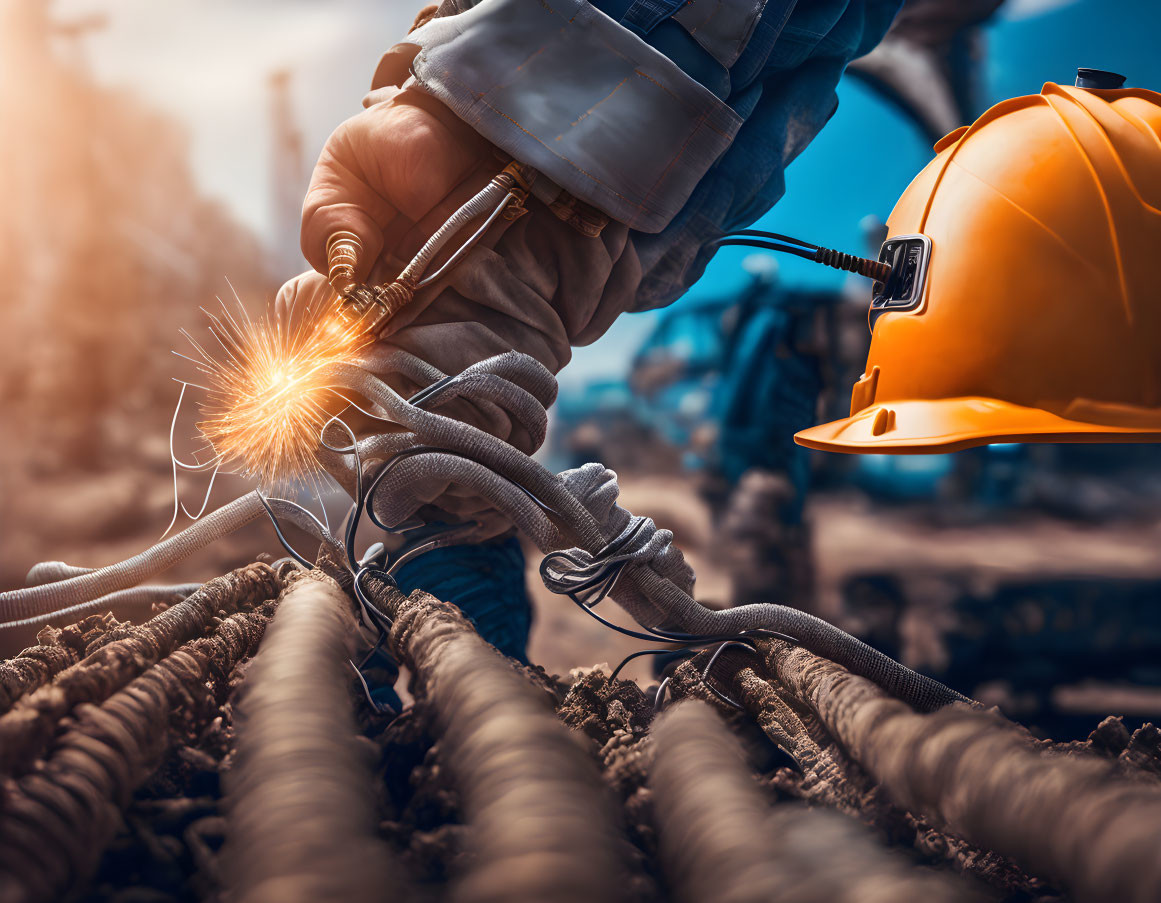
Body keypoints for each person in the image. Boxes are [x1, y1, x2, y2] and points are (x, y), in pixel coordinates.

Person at [278, 0, 903, 658]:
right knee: (434, 437)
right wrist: (460, 108)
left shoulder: (764, 332)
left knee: (435, 438)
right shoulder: (768, 332)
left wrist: (488, 122)